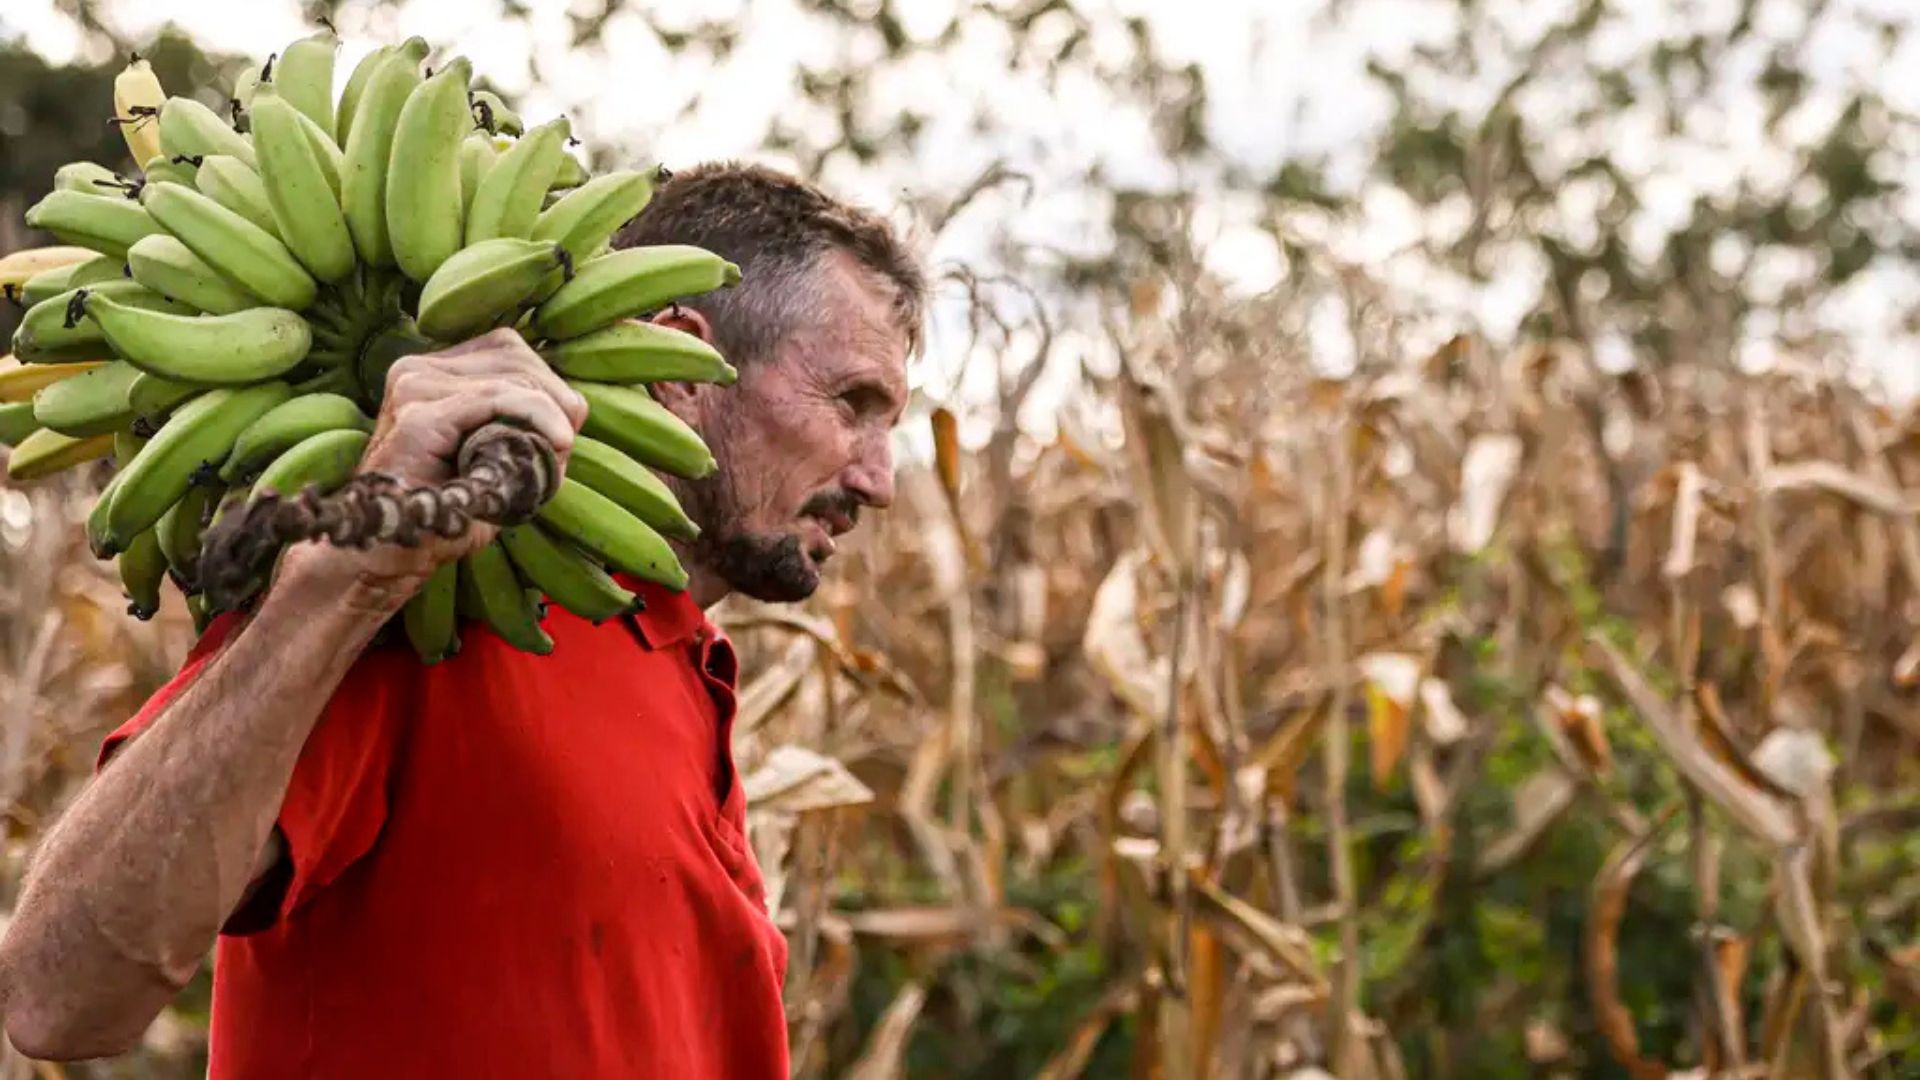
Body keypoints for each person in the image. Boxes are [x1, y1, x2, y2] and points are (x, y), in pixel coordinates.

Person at [0, 161, 926, 1078]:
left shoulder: (694, 667)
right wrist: (341, 589)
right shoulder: (431, 611)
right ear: (685, 363)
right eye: (852, 404)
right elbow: (58, 998)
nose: (879, 481)